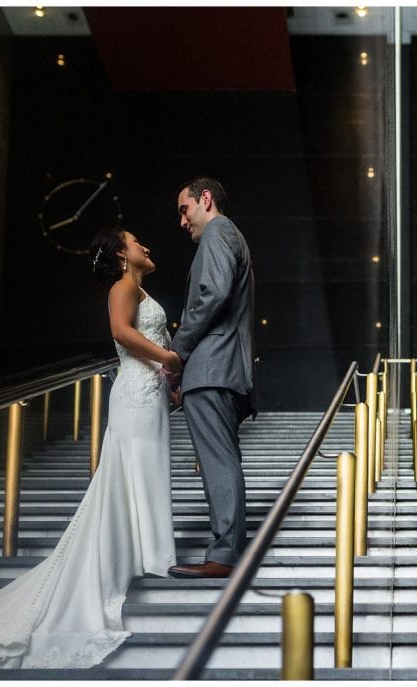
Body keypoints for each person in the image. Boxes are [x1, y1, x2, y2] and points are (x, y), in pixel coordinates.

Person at [0, 228, 180, 668]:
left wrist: (166, 376)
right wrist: (168, 359)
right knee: (133, 471)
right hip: (135, 395)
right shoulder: (123, 288)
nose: (147, 247)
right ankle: (145, 556)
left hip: (148, 394)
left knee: (146, 471)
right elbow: (120, 333)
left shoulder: (137, 288)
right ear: (122, 253)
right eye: (138, 242)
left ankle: (149, 552)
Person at [165, 176, 255, 579]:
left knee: (218, 462)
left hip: (213, 366)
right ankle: (228, 550)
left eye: (184, 210)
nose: (182, 221)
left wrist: (177, 352)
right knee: (223, 460)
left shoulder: (218, 230)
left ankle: (224, 554)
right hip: (224, 367)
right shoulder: (229, 235)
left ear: (205, 200)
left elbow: (213, 294)